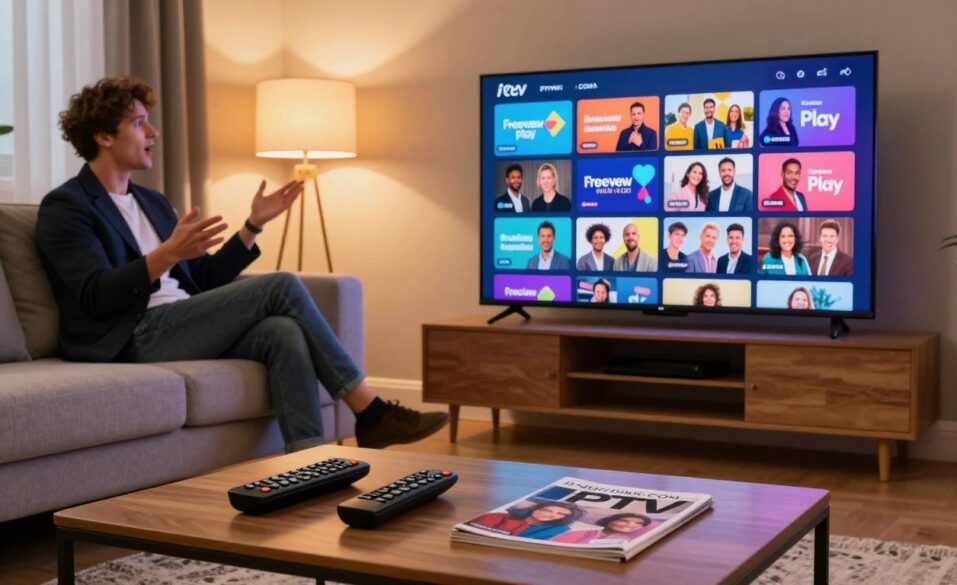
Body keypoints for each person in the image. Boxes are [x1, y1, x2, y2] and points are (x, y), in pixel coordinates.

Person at [34, 76, 448, 453]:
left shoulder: (152, 202)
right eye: (140, 123)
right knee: (281, 284)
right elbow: (96, 295)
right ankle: (370, 412)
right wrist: (166, 255)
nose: (153, 133)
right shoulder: (67, 206)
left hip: (179, 321)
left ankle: (310, 461)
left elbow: (203, 280)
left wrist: (252, 225)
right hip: (132, 335)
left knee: (283, 331)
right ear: (104, 136)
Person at [469, 500, 584, 540]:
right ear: (535, 509)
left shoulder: (560, 530)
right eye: (546, 510)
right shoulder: (500, 516)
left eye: (560, 514)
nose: (550, 514)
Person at [551, 513, 655, 544]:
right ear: (608, 521)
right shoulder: (582, 533)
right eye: (624, 520)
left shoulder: (632, 540)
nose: (631, 525)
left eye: (639, 523)